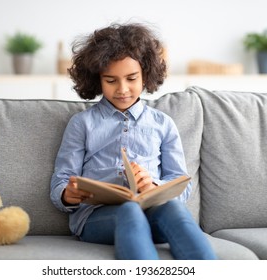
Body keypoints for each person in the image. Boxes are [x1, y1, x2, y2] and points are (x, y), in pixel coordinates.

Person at [50, 22, 217, 260]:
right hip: (97, 218)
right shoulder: (82, 123)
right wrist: (68, 194)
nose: (122, 89)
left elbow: (181, 184)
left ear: (145, 75)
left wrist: (154, 187)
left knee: (174, 209)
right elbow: (60, 181)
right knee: (130, 210)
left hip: (153, 211)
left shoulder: (163, 124)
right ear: (98, 79)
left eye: (131, 78)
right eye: (111, 80)